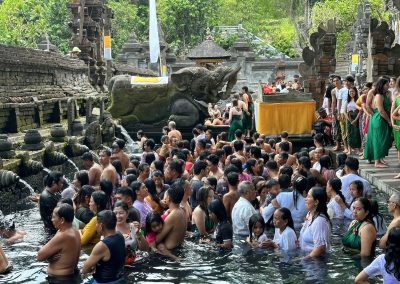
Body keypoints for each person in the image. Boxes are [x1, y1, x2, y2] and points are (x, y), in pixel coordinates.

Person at [37, 204, 81, 282]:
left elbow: (39, 256)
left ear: (62, 220)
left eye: (54, 217)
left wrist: (45, 252)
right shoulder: (75, 231)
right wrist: (50, 257)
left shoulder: (63, 235)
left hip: (60, 279)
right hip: (71, 275)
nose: (52, 220)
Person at [82, 210, 125, 284]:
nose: (95, 226)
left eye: (96, 224)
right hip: (119, 279)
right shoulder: (120, 236)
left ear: (101, 226)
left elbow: (85, 270)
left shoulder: (102, 245)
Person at [364, 77, 393, 168]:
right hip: (379, 119)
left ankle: (380, 159)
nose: (388, 86)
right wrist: (389, 120)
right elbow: (381, 110)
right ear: (382, 85)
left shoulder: (384, 94)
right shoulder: (379, 95)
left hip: (378, 118)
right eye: (387, 84)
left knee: (381, 139)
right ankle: (377, 162)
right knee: (379, 140)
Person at [299, 187, 331, 258]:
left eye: (309, 196)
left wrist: (302, 260)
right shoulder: (309, 214)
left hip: (316, 264)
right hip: (308, 259)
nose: (305, 199)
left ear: (316, 202)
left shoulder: (319, 221)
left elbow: (320, 248)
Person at [113, 201, 149, 265]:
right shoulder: (109, 228)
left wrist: (139, 233)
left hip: (135, 262)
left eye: (121, 213)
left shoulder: (135, 226)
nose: (118, 216)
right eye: (115, 213)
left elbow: (146, 248)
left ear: (127, 214)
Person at [155, 181, 187, 250]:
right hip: (180, 248)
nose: (164, 198)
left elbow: (157, 239)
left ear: (168, 198)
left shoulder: (173, 215)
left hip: (171, 252)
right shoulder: (182, 210)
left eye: (165, 196)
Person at [345, 86, 361, 154]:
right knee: (349, 133)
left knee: (357, 133)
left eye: (353, 91)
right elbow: (344, 111)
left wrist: (355, 120)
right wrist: (350, 120)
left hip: (356, 117)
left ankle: (357, 149)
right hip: (349, 119)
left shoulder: (358, 100)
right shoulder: (347, 101)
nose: (351, 93)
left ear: (355, 92)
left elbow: (360, 111)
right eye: (350, 91)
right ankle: (349, 149)